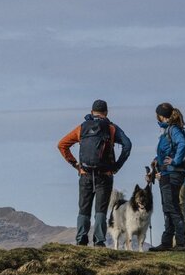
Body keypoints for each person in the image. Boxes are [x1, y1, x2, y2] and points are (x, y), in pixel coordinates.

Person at [57, 99, 133, 247]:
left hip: (85, 173)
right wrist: (117, 166)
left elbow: (62, 145)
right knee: (101, 210)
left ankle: (81, 239)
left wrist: (75, 165)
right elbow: (127, 145)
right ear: (106, 112)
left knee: (83, 209)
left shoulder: (82, 128)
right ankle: (99, 241)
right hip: (105, 175)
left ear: (92, 112)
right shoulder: (111, 128)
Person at [147, 102, 185, 251]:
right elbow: (168, 151)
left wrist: (175, 161)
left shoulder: (173, 130)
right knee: (168, 207)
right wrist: (157, 160)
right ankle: (166, 242)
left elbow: (182, 143)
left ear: (162, 116)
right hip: (166, 173)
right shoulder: (168, 131)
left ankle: (181, 243)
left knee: (173, 208)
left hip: (172, 174)